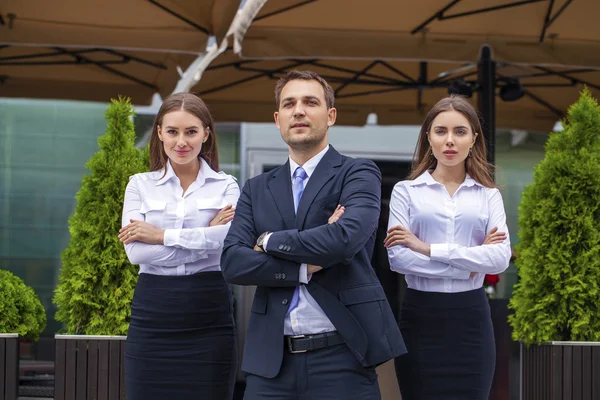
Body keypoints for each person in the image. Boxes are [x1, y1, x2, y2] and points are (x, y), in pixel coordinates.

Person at [221, 70, 406, 400]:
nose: (299, 111)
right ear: (278, 119)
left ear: (330, 115)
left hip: (343, 356)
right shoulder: (256, 188)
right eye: (289, 104)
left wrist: (267, 241)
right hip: (271, 366)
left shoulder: (358, 172)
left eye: (310, 102)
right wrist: (303, 268)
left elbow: (346, 239)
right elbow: (233, 262)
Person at [385, 95, 512, 399]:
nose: (450, 141)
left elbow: (500, 259)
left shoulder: (488, 195)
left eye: (460, 131)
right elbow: (398, 259)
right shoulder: (406, 192)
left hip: (471, 319)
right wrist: (470, 261)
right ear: (428, 137)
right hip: (421, 316)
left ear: (473, 139)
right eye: (441, 131)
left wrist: (426, 248)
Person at [119, 92, 239, 400]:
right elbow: (136, 253)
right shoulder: (139, 184)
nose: (181, 141)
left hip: (209, 313)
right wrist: (204, 235)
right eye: (172, 131)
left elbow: (228, 240)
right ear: (159, 132)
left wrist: (161, 235)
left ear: (206, 134)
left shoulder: (227, 185)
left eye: (191, 131)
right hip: (153, 313)